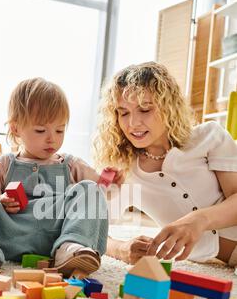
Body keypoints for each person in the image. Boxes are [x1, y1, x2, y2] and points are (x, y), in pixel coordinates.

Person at [0, 77, 113, 279]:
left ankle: (72, 246)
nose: (52, 138)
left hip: (58, 234)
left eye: (59, 130)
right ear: (16, 128)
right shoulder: (4, 164)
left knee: (89, 188)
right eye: (40, 130)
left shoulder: (70, 163)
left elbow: (102, 187)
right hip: (11, 235)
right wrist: (0, 201)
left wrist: (112, 175)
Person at [93, 62, 237, 266]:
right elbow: (88, 227)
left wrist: (198, 220)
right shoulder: (121, 171)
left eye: (144, 109)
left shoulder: (208, 137)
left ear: (168, 106)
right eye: (123, 112)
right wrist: (121, 249)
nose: (133, 123)